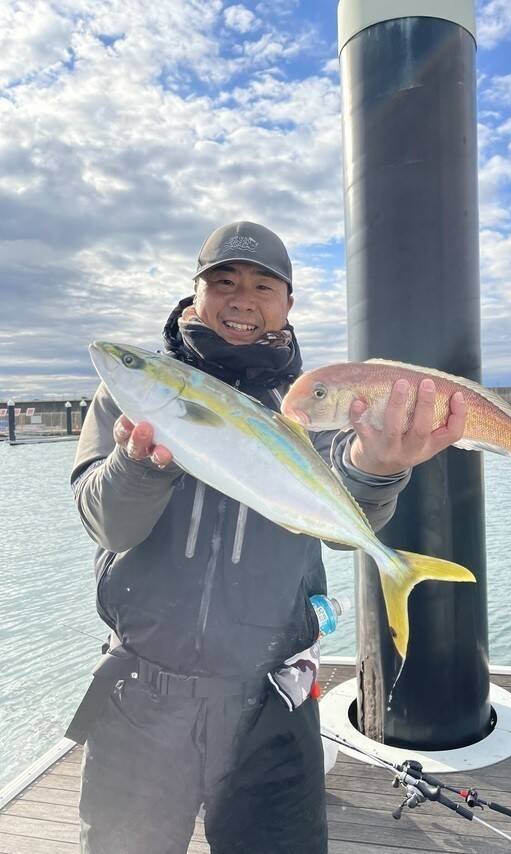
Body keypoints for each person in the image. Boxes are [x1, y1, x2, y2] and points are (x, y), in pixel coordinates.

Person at [70, 220, 466, 854]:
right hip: (140, 700)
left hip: (270, 708)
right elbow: (107, 523)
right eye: (222, 281)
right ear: (195, 294)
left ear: (287, 304)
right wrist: (136, 466)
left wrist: (378, 470)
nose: (241, 299)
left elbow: (342, 520)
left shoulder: (315, 403)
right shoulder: (129, 393)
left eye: (263, 285)